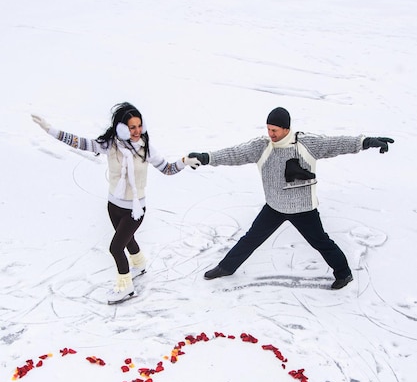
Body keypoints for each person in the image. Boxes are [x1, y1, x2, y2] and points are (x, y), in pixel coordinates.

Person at [189, 107, 394, 289]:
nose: (271, 134)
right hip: (275, 206)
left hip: (303, 209)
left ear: (286, 129)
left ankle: (344, 274)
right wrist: (207, 157)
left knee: (321, 242)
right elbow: (235, 153)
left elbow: (336, 144)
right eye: (268, 129)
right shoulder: (262, 146)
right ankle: (226, 267)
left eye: (275, 130)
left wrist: (366, 142)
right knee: (250, 239)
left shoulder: (306, 143)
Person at [32, 103, 198, 304]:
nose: (137, 131)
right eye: (132, 127)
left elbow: (167, 169)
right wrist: (50, 130)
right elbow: (80, 143)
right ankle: (139, 263)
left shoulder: (146, 148)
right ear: (121, 129)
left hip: (135, 209)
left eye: (139, 126)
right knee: (126, 240)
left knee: (116, 248)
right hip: (114, 205)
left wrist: (184, 161)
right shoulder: (110, 145)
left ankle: (125, 287)